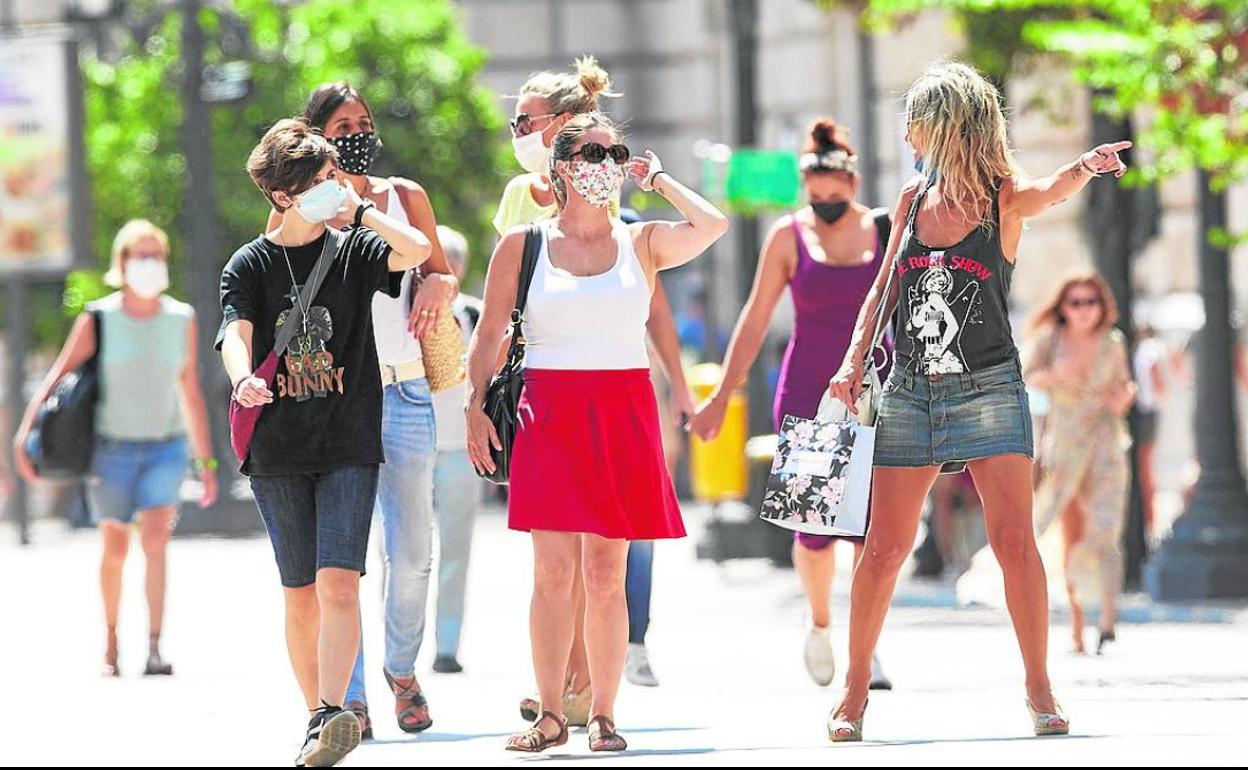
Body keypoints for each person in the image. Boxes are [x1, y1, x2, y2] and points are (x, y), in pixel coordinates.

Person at [825, 61, 1131, 741]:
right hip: (909, 388)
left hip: (989, 385)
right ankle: (853, 692)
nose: (907, 130)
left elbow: (1051, 189)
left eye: (917, 118)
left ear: (949, 123)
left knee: (1015, 541)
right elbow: (882, 291)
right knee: (883, 548)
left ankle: (1039, 688)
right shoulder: (910, 200)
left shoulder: (1002, 198)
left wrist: (1084, 165)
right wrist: (852, 364)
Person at [466, 112, 728, 753]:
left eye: (616, 151)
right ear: (559, 166)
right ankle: (550, 712)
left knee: (607, 572)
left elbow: (713, 226)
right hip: (548, 412)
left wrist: (657, 178)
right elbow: (489, 332)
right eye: (590, 150)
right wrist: (474, 405)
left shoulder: (640, 243)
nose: (604, 161)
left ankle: (605, 714)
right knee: (553, 572)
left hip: (622, 409)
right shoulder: (523, 245)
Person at [220, 118, 431, 766]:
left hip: (347, 441)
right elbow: (235, 330)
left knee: (339, 582)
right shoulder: (251, 263)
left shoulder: (353, 247)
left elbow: (418, 250)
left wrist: (360, 209)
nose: (331, 188)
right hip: (279, 450)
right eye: (318, 182)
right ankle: (318, 713)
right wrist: (241, 381)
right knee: (300, 592)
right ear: (281, 195)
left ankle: (332, 713)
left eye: (333, 177)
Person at [496, 56, 695, 724]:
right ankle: (563, 688)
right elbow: (506, 310)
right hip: (550, 393)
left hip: (619, 391)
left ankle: (600, 678)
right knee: (559, 564)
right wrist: (478, 400)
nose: (516, 130)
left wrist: (679, 387)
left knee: (610, 557)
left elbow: (657, 309)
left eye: (525, 119)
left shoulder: (627, 223)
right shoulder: (522, 211)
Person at [272, 81, 458, 740]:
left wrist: (438, 284)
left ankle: (401, 668)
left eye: (364, 120)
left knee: (411, 552)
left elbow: (437, 267)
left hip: (405, 388)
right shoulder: (300, 208)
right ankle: (347, 700)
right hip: (334, 398)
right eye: (342, 123)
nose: (357, 131)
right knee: (339, 562)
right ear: (318, 134)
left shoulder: (404, 196)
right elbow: (275, 283)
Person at [690, 118, 893, 691]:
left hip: (876, 389)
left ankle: (867, 645)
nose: (827, 203)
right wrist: (718, 399)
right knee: (815, 528)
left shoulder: (884, 228)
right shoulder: (788, 236)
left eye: (837, 194)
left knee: (872, 528)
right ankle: (821, 621)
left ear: (853, 182)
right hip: (807, 391)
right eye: (817, 195)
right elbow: (754, 322)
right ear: (806, 186)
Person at [13, 219, 217, 678]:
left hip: (165, 447)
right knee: (115, 547)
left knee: (156, 540)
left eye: (156, 255)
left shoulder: (180, 317)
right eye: (138, 256)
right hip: (111, 450)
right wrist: (26, 432)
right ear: (121, 264)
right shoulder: (98, 318)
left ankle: (155, 646)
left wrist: (205, 461)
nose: (149, 264)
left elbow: (190, 390)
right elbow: (58, 375)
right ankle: (111, 637)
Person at [1025, 272, 1135, 655]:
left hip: (1105, 444)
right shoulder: (1050, 340)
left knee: (1105, 529)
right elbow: (1026, 379)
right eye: (1076, 302)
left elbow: (1124, 384)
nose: (1084, 310)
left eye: (1091, 301)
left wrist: (1124, 397)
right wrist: (1055, 376)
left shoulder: (1113, 342)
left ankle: (1107, 620)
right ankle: (1076, 625)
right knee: (1070, 536)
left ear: (1103, 306)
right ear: (1062, 307)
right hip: (1065, 448)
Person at [428, 224, 483, 675]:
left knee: (455, 551)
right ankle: (401, 643)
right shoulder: (402, 315)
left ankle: (447, 645)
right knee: (401, 555)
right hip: (408, 450)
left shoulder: (476, 317)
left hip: (461, 452)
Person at [1133, 323, 1166, 535]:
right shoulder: (1151, 348)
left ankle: (1150, 519)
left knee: (1144, 466)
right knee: (1145, 466)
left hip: (1144, 410)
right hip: (1149, 410)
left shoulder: (1143, 350)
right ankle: (1149, 518)